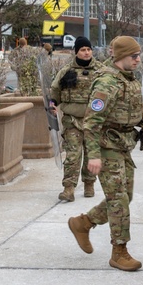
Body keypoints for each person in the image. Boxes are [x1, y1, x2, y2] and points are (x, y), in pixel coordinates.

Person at [67, 36, 143, 272]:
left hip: (124, 144)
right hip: (106, 146)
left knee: (127, 195)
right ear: (121, 56)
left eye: (138, 55)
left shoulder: (129, 78)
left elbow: (127, 107)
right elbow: (92, 122)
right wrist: (94, 155)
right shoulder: (106, 82)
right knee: (119, 200)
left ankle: (83, 223)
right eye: (133, 56)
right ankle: (119, 251)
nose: (138, 59)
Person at [50, 36, 99, 201]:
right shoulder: (66, 71)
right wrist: (52, 104)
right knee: (73, 154)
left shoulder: (101, 70)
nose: (86, 53)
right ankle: (69, 188)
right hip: (72, 119)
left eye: (88, 49)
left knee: (91, 154)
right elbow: (55, 90)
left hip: (94, 120)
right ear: (76, 52)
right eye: (82, 50)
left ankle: (89, 183)